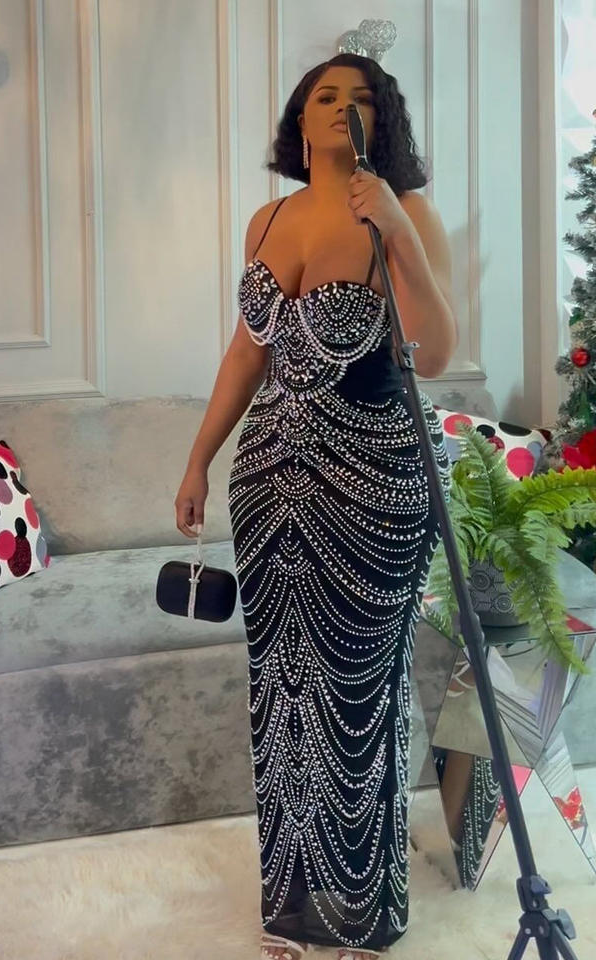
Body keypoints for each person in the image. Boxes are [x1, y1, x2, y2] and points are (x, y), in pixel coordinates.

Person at [174, 52, 457, 960]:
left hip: (374, 478)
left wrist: (398, 236)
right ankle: (295, 910)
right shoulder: (267, 220)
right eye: (324, 97)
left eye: (359, 97)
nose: (340, 107)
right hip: (268, 482)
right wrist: (198, 460)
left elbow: (436, 353)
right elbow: (245, 353)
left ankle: (365, 914)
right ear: (300, 122)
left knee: (361, 689)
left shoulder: (407, 212)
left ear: (382, 120)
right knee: (284, 692)